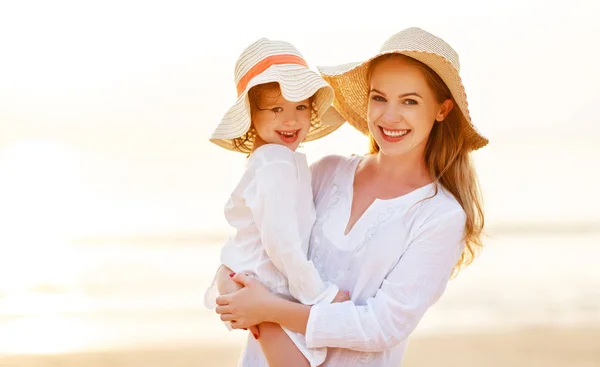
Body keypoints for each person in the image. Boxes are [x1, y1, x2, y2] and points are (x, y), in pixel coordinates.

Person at [214, 27, 489, 366]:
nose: (389, 116)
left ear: (442, 109)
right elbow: (259, 243)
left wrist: (270, 311)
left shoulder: (439, 215)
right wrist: (227, 285)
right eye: (379, 97)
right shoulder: (327, 172)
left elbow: (381, 327)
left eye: (410, 101)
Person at [204, 37, 349, 367]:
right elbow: (281, 242)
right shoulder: (276, 163)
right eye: (277, 108)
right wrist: (321, 295)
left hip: (259, 280)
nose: (292, 120)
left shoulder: (271, 159)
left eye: (301, 107)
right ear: (252, 115)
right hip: (267, 285)